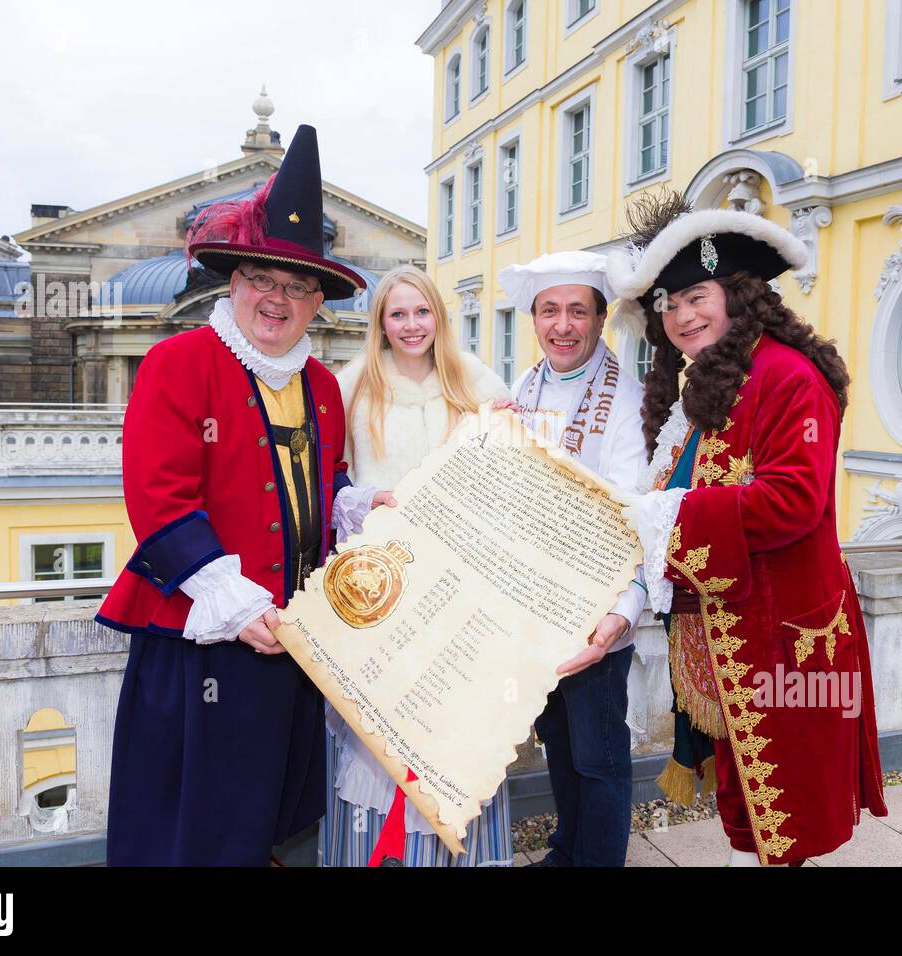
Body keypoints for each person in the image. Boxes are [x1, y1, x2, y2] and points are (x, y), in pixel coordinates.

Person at [96, 125, 388, 866]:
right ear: (234, 282)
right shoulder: (178, 361)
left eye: (297, 286)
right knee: (201, 820)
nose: (277, 298)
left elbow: (322, 483)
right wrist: (237, 602)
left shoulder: (322, 383)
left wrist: (357, 508)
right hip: (205, 631)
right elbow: (158, 502)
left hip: (291, 637)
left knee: (272, 814)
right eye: (263, 279)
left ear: (318, 301)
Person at [607, 190, 889, 867]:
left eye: (695, 296)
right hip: (728, 633)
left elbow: (791, 500)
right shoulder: (717, 379)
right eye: (668, 305)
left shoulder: (790, 375)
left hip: (784, 638)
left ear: (738, 292)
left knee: (781, 815)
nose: (680, 316)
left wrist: (662, 516)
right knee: (744, 808)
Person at [320, 264, 513, 866]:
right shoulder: (352, 387)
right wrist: (364, 505)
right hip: (382, 587)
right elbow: (329, 487)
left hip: (460, 586)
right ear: (380, 322)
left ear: (439, 317)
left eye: (421, 312)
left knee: (450, 731)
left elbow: (507, 482)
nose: (411, 325)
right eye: (397, 313)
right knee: (384, 736)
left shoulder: (476, 382)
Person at [496, 251, 648, 868]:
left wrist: (623, 610)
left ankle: (599, 861)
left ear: (600, 319)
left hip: (596, 609)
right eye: (550, 310)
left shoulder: (629, 401)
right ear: (533, 319)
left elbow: (637, 513)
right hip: (535, 606)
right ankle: (567, 851)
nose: (563, 325)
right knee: (557, 740)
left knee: (598, 752)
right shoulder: (522, 387)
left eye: (577, 312)